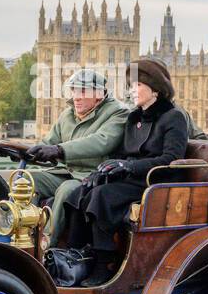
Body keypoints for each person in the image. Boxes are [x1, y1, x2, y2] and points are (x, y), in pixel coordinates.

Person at [60, 58, 188, 286]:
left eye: (137, 85)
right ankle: (76, 256)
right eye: (131, 86)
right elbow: (121, 153)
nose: (132, 91)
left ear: (155, 88)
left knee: (102, 197)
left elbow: (171, 159)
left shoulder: (173, 117)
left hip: (156, 181)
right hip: (133, 178)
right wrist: (100, 173)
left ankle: (105, 264)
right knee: (80, 193)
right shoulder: (134, 117)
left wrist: (129, 167)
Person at [22, 68, 128, 245]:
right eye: (74, 90)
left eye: (83, 91)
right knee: (27, 180)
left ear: (99, 94)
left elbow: (102, 141)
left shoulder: (118, 113)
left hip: (94, 176)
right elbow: (48, 144)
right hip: (65, 171)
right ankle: (20, 231)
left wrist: (59, 150)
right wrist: (24, 152)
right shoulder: (67, 114)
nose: (76, 96)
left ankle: (46, 243)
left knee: (66, 190)